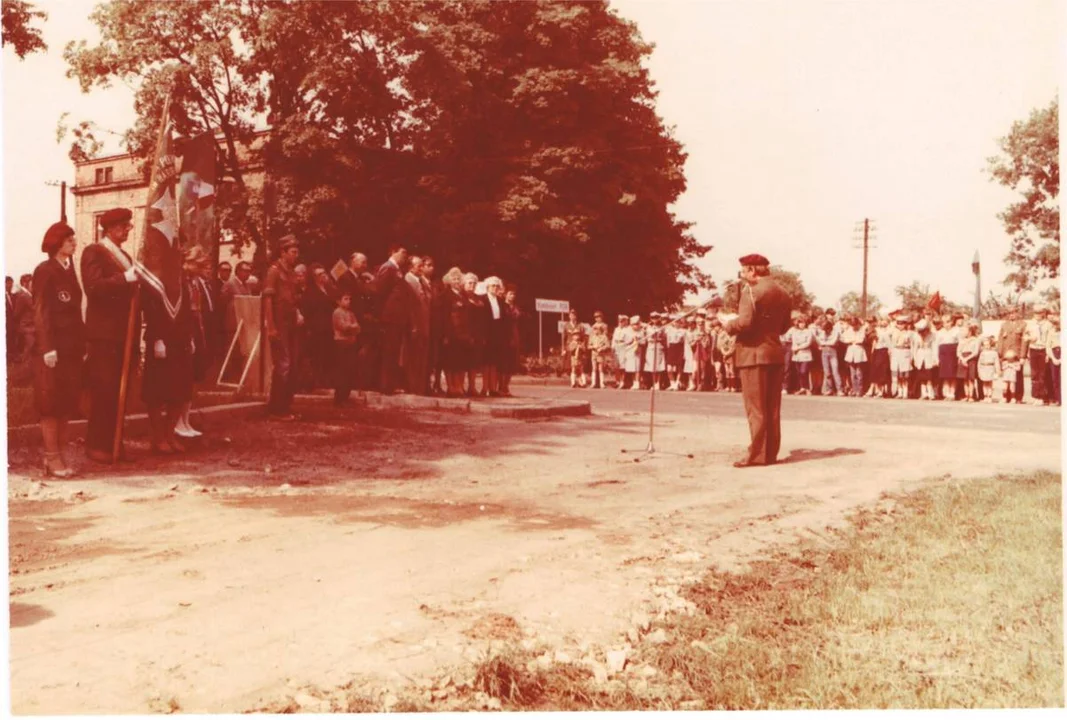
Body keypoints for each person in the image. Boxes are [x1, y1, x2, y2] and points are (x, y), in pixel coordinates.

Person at [721, 254, 792, 468]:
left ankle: (756, 456)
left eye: (743, 271)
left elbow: (745, 322)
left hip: (753, 355)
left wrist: (728, 324)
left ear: (752, 270)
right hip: (774, 354)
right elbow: (784, 326)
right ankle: (769, 454)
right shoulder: (784, 293)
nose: (742, 276)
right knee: (771, 408)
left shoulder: (750, 291)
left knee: (756, 408)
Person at [81, 207, 141, 462]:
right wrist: (123, 279)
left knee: (121, 391)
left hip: (125, 334)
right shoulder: (94, 252)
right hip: (104, 335)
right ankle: (97, 445)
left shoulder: (125, 255)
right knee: (104, 390)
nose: (128, 230)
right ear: (112, 228)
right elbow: (93, 287)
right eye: (125, 226)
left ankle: (115, 442)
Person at [32, 222, 86, 477]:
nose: (74, 243)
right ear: (57, 244)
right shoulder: (45, 270)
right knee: (50, 404)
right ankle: (51, 458)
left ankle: (60, 455)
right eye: (69, 240)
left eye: (74, 239)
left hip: (71, 349)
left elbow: (74, 312)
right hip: (53, 351)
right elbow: (41, 311)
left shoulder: (69, 270)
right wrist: (47, 347)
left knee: (65, 403)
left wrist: (82, 343)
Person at [141, 255, 193, 455]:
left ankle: (170, 434)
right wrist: (156, 338)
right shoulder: (155, 278)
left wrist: (190, 337)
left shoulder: (181, 279)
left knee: (179, 391)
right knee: (157, 392)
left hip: (180, 342)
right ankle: (158, 437)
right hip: (160, 341)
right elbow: (150, 309)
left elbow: (187, 310)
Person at [175, 247, 214, 439]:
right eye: (199, 265)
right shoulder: (182, 280)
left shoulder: (196, 282)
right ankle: (178, 421)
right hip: (187, 329)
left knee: (195, 375)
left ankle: (186, 418)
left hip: (198, 328)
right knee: (184, 377)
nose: (202, 269)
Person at [263, 234, 303, 419]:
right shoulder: (274, 271)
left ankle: (286, 405)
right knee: (283, 365)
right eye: (293, 252)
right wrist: (270, 326)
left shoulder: (292, 272)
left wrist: (298, 313)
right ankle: (276, 409)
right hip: (279, 324)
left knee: (293, 364)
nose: (296, 255)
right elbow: (268, 299)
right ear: (283, 252)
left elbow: (293, 299)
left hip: (291, 324)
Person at [376, 244, 410, 394]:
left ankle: (389, 384)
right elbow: (381, 292)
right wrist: (383, 315)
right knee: (389, 351)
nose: (405, 256)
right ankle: (385, 385)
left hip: (397, 317)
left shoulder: (397, 269)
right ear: (393, 252)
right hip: (390, 317)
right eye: (403, 253)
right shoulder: (388, 268)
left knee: (394, 351)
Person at [440, 267, 472, 397]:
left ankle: (459, 386)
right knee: (450, 362)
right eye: (454, 278)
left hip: (463, 333)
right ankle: (451, 387)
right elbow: (444, 316)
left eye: (458, 278)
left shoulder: (463, 295)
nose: (457, 280)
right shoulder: (445, 295)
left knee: (460, 361)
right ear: (449, 280)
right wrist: (446, 334)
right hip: (451, 333)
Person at [405, 257, 433, 395]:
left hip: (425, 324)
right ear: (411, 267)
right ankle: (413, 387)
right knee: (413, 358)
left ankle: (420, 387)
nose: (421, 268)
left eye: (422, 266)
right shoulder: (408, 280)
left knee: (422, 357)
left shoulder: (422, 281)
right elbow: (410, 306)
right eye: (418, 266)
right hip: (415, 325)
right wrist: (413, 325)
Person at [332, 291, 361, 405]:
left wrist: (353, 327)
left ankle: (345, 396)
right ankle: (339, 398)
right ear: (339, 301)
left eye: (349, 299)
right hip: (341, 342)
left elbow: (358, 327)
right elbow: (344, 327)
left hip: (350, 342)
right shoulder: (337, 313)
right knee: (342, 370)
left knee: (349, 370)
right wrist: (352, 327)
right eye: (345, 299)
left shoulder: (350, 313)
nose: (348, 301)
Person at [482, 276, 506, 396]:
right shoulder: (483, 299)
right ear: (487, 287)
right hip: (487, 333)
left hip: (497, 334)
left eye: (497, 286)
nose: (495, 288)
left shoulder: (500, 301)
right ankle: (484, 387)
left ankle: (492, 388)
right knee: (486, 362)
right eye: (493, 286)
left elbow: (502, 319)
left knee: (494, 362)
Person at [997, 309, 1027, 403]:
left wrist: (1023, 356)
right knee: (1007, 377)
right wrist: (1000, 353)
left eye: (1013, 313)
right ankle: (1007, 396)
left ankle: (1018, 397)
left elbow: (1024, 341)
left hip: (1017, 355)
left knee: (1018, 376)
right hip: (1006, 355)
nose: (1011, 315)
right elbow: (1000, 339)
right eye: (1009, 313)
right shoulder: (1004, 325)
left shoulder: (1023, 324)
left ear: (1017, 313)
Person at [1025, 306, 1052, 406]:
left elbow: (1050, 339)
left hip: (1043, 349)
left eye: (1039, 313)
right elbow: (1025, 336)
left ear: (1043, 314)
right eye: (1036, 313)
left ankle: (1042, 397)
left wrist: (1048, 354)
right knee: (1034, 374)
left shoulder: (1048, 325)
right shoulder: (1030, 324)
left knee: (1042, 374)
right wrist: (1029, 338)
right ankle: (1035, 396)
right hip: (1033, 349)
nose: (1037, 315)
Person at [500, 286, 522, 396]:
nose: (512, 296)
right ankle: (501, 386)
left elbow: (518, 318)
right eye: (510, 294)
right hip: (504, 336)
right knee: (504, 363)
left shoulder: (516, 307)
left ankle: (506, 386)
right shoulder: (502, 306)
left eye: (513, 294)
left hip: (514, 335)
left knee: (511, 363)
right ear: (505, 295)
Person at [815, 315, 843, 396]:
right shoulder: (823, 332)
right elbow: (820, 341)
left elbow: (833, 342)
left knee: (835, 371)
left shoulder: (835, 332)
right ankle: (829, 389)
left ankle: (839, 389)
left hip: (832, 351)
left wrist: (824, 343)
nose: (826, 332)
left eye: (827, 330)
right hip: (824, 352)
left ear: (830, 328)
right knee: (827, 372)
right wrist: (824, 343)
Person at [842, 316, 868, 397]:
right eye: (852, 325)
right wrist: (852, 341)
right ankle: (854, 389)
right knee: (852, 374)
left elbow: (861, 340)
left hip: (859, 352)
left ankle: (860, 390)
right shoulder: (848, 330)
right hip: (851, 352)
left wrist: (852, 341)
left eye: (855, 325)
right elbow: (845, 339)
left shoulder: (862, 330)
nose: (854, 326)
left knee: (859, 373)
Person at [563, 308, 588, 388]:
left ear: (576, 316)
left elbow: (584, 338)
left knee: (579, 366)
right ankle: (574, 382)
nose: (572, 317)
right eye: (571, 315)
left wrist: (583, 347)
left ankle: (581, 382)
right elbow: (564, 338)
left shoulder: (580, 326)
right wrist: (563, 349)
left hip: (578, 347)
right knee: (571, 366)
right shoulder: (566, 325)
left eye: (574, 315)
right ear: (569, 316)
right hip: (570, 347)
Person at [957, 323, 981, 402]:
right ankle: (966, 395)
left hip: (971, 359)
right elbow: (958, 351)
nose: (963, 332)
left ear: (970, 331)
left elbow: (975, 352)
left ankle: (971, 396)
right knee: (964, 379)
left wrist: (967, 359)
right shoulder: (962, 340)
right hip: (963, 358)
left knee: (971, 379)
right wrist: (962, 358)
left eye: (965, 330)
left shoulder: (976, 340)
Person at [588, 311, 611, 389]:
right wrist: (593, 346)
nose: (597, 318)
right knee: (594, 368)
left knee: (600, 367)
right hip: (594, 351)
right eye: (596, 317)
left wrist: (601, 346)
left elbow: (605, 337)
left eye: (599, 317)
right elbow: (590, 340)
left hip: (601, 349)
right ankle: (594, 383)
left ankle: (601, 383)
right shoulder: (593, 327)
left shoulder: (604, 325)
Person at [977, 336, 1001, 403]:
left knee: (990, 383)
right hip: (984, 368)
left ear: (990, 345)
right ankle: (985, 396)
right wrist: (979, 371)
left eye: (987, 345)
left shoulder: (994, 353)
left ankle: (989, 396)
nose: (986, 346)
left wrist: (998, 371)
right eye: (985, 345)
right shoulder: (982, 353)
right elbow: (979, 363)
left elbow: (997, 363)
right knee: (984, 383)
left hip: (990, 368)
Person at [1046, 314, 1061, 406]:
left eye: (1057, 323)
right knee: (1055, 379)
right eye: (1054, 324)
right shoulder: (1051, 332)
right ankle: (1058, 399)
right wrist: (1053, 358)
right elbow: (1048, 346)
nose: (1056, 325)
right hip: (1054, 353)